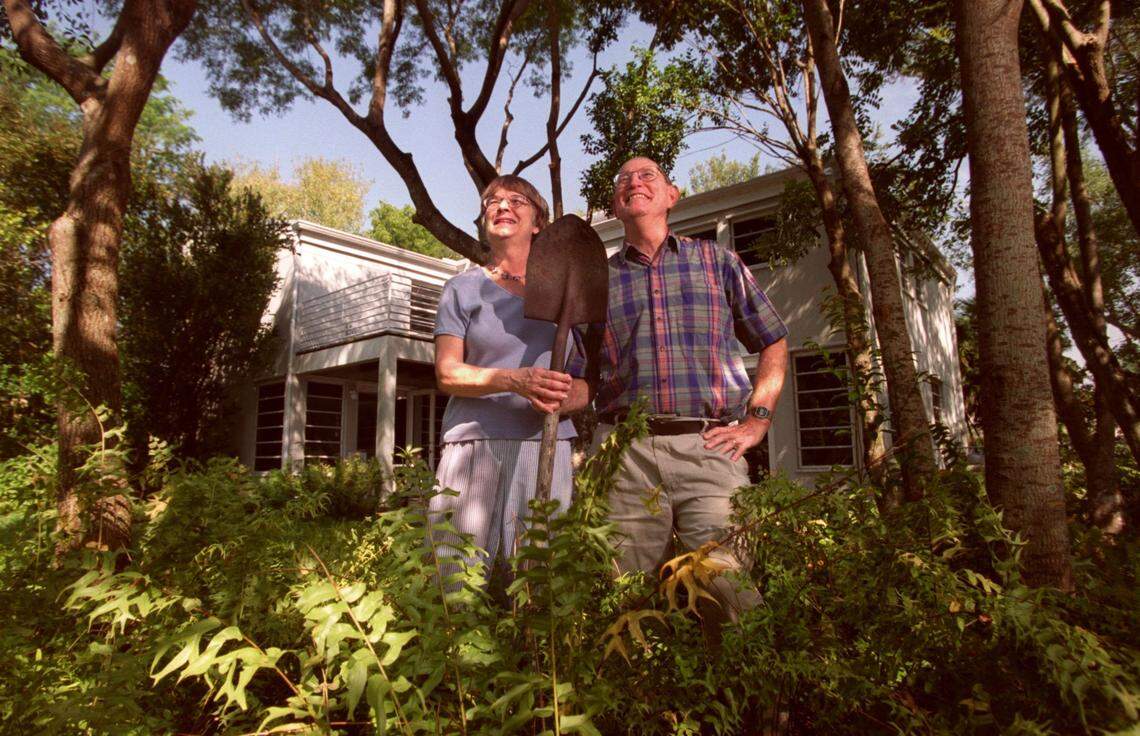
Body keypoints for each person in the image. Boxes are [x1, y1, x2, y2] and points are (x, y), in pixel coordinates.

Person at [567, 156, 789, 624]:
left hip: (709, 448)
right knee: (623, 599)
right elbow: (585, 379)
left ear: (672, 195)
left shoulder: (717, 261)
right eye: (624, 179)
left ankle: (749, 691)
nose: (634, 182)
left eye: (648, 175)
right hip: (624, 454)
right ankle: (641, 692)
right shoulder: (597, 283)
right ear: (616, 203)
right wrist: (541, 393)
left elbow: (773, 339)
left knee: (728, 591)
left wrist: (758, 420)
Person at [431, 174, 586, 582]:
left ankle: (533, 649)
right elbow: (447, 373)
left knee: (539, 577)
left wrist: (566, 397)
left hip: (546, 445)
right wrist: (514, 380)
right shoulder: (462, 289)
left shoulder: (570, 291)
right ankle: (458, 646)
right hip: (473, 443)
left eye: (517, 200)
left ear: (538, 222)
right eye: (492, 201)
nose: (502, 206)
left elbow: (590, 382)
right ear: (483, 221)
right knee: (457, 574)